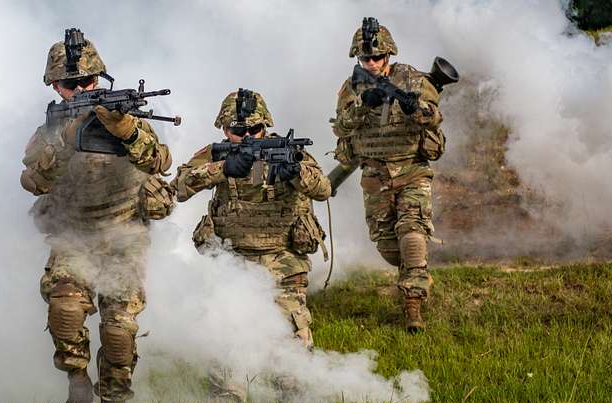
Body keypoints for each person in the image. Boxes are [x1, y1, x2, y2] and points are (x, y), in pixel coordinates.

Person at [20, 30, 173, 403]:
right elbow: (32, 181)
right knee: (65, 312)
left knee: (119, 332)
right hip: (73, 236)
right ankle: (77, 383)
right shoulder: (49, 131)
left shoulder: (129, 119)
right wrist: (65, 143)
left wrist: (128, 131)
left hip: (124, 234)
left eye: (89, 81)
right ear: (57, 86)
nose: (82, 89)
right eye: (73, 84)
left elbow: (160, 162)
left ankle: (115, 399)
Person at [171, 89, 330, 351]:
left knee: (294, 350)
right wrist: (222, 169)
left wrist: (297, 172)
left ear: (265, 126)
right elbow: (179, 187)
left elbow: (323, 189)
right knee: (230, 344)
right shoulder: (215, 154)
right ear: (224, 130)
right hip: (232, 260)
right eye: (238, 131)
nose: (247, 137)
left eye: (254, 129)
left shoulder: (285, 149)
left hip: (285, 259)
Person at [330, 17, 447, 332]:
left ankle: (413, 308)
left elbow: (435, 117)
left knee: (412, 233)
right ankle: (412, 270)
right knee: (388, 247)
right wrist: (362, 107)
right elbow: (340, 127)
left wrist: (415, 109)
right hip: (375, 175)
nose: (371, 63)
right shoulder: (351, 87)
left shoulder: (412, 80)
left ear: (389, 55)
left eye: (377, 58)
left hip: (411, 170)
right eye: (365, 58)